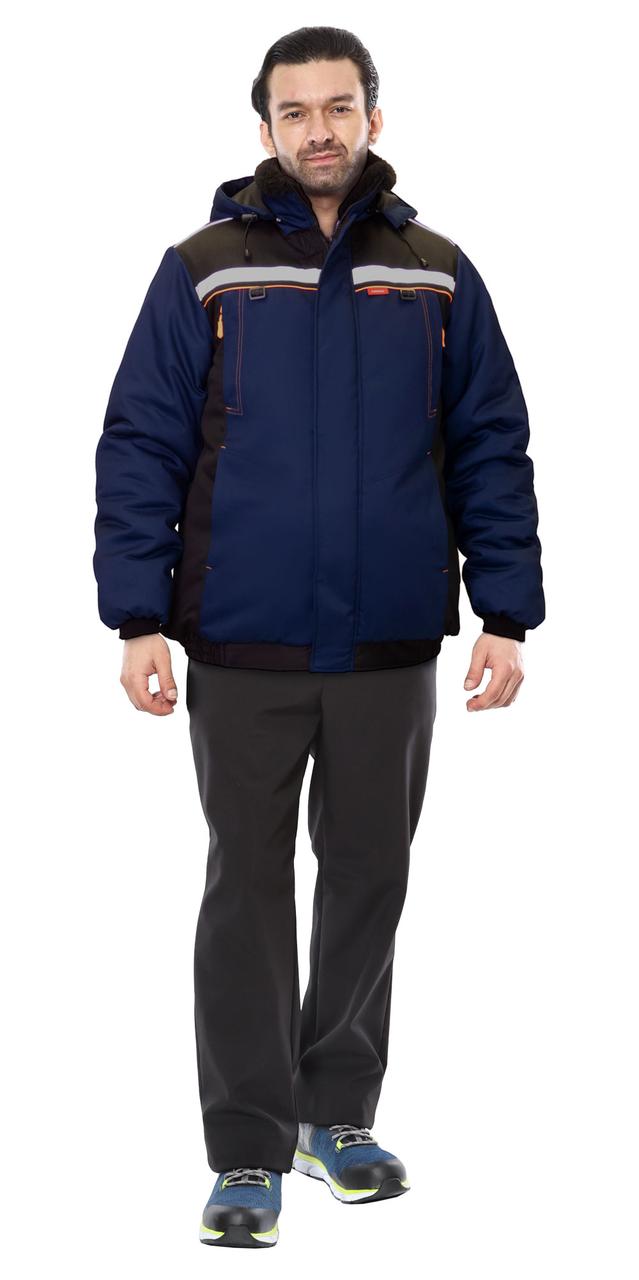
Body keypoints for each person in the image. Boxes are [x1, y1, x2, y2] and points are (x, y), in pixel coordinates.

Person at [93, 25, 545, 1250]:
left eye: (338, 107)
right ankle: (246, 1144)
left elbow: (490, 441)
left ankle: (335, 1114)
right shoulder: (204, 271)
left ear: (373, 117)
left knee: (367, 876)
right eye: (294, 112)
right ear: (266, 130)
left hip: (391, 638)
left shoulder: (437, 272)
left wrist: (506, 609)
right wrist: (138, 614)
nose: (319, 130)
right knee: (245, 889)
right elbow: (141, 440)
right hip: (240, 640)